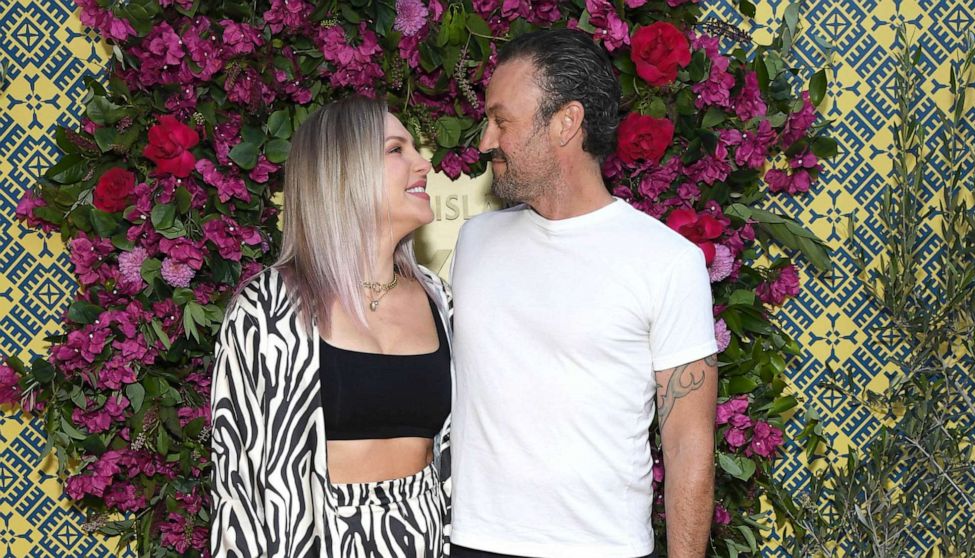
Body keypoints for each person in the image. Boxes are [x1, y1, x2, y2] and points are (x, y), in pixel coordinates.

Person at [449, 29, 718, 558]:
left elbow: (689, 447)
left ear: (566, 122)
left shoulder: (667, 261)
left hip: (604, 548)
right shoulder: (475, 241)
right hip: (472, 543)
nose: (484, 141)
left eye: (501, 121)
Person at [211, 96, 454, 558]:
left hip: (428, 539)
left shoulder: (441, 301)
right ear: (343, 173)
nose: (423, 164)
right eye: (396, 149)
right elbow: (237, 483)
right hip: (316, 541)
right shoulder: (267, 308)